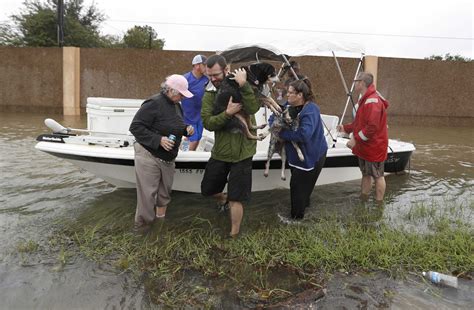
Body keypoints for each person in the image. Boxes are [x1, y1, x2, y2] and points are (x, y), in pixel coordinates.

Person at [200, 54, 260, 237]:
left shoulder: (241, 85)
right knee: (208, 189)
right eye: (209, 75)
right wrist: (226, 114)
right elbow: (208, 123)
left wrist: (244, 85)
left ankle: (233, 234)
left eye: (215, 75)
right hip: (221, 152)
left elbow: (253, 109)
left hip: (243, 152)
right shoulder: (209, 93)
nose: (213, 79)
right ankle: (223, 199)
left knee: (237, 197)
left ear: (226, 70)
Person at [129, 74, 195, 229]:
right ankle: (142, 230)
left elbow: (176, 124)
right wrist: (159, 140)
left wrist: (186, 129)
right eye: (181, 94)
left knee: (164, 195)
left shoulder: (176, 105)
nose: (182, 98)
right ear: (171, 90)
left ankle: (159, 227)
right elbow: (135, 127)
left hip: (168, 158)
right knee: (147, 197)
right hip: (149, 155)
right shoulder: (153, 103)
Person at [275, 79, 328, 220]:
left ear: (300, 95)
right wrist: (273, 125)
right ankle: (304, 212)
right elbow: (275, 116)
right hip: (296, 156)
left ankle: (296, 221)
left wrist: (281, 134)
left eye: (291, 93)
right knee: (302, 189)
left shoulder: (311, 110)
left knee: (298, 188)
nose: (287, 95)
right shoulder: (288, 105)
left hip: (312, 155)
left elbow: (304, 135)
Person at [337, 72, 389, 205]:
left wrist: (355, 139)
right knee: (366, 174)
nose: (354, 84)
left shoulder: (372, 101)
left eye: (356, 81)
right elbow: (360, 123)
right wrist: (345, 128)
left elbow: (372, 127)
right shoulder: (366, 99)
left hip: (374, 148)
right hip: (366, 148)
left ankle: (378, 205)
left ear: (362, 83)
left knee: (378, 176)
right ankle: (364, 200)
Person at [181, 54, 209, 151]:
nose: (206, 67)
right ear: (197, 65)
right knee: (194, 139)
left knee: (196, 138)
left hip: (200, 116)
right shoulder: (185, 79)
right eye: (204, 65)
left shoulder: (206, 80)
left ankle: (185, 153)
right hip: (188, 116)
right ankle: (187, 160)